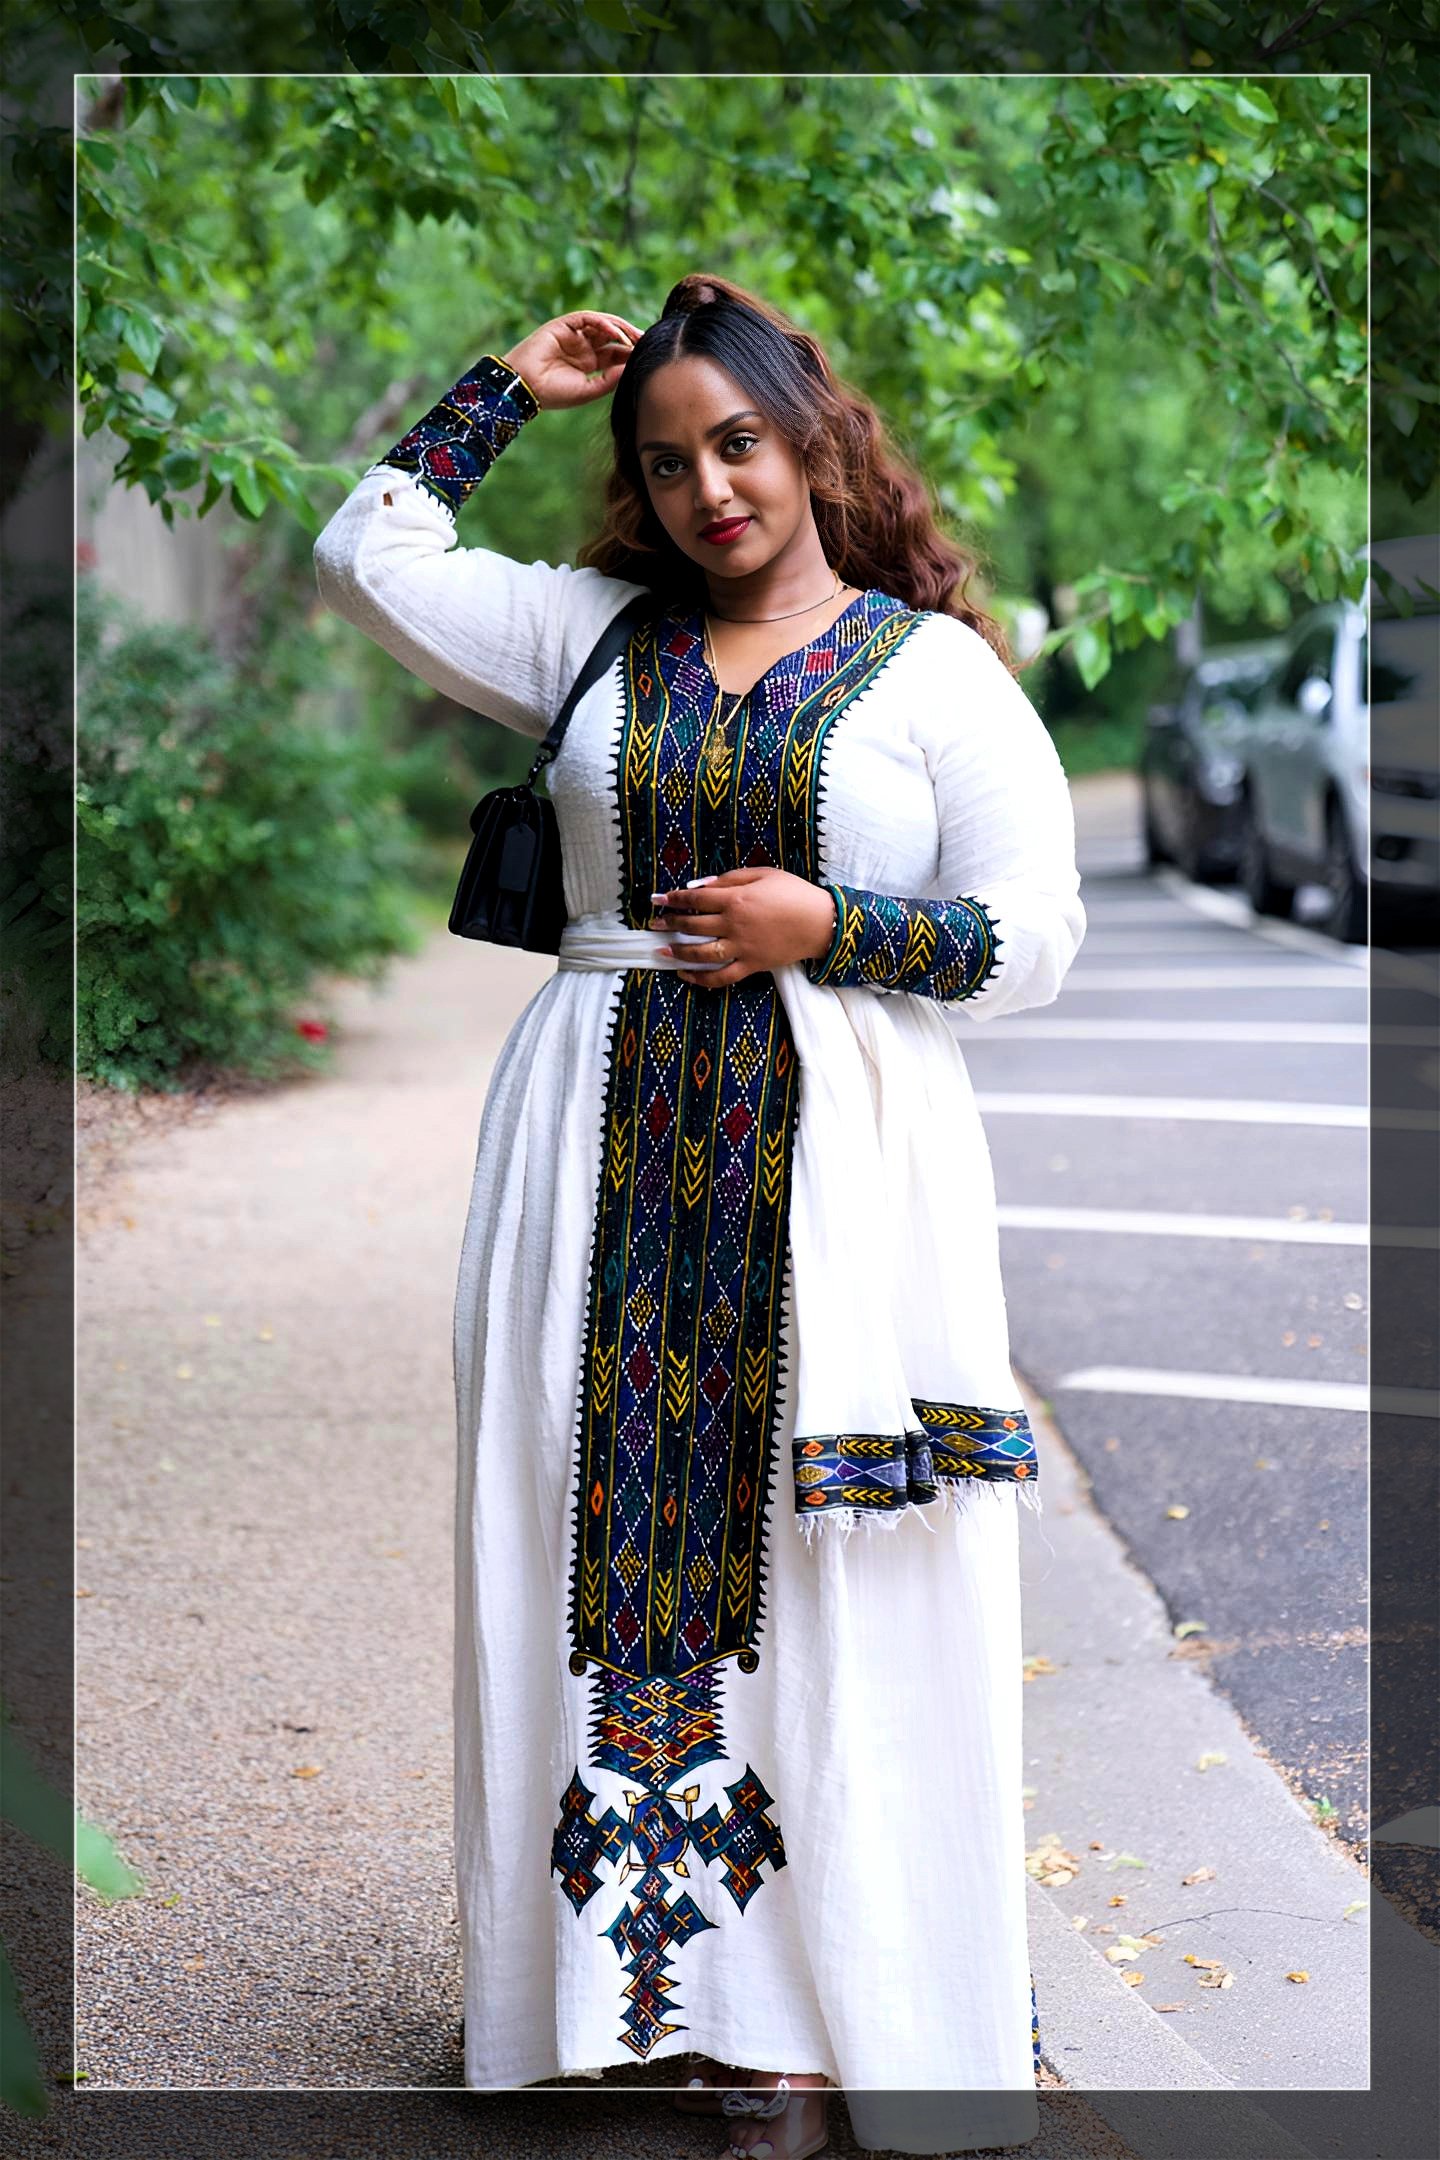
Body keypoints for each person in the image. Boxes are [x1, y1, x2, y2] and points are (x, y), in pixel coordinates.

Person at [312, 274, 1084, 2160]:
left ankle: (813, 2031)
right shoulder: (588, 637)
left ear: (811, 435)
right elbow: (369, 551)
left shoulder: (931, 676)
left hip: (841, 1185)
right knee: (593, 1557)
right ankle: (624, 2004)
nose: (707, 490)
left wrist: (837, 929)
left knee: (825, 1577)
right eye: (664, 464)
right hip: (594, 1159)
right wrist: (509, 382)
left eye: (736, 442)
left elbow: (1034, 941)